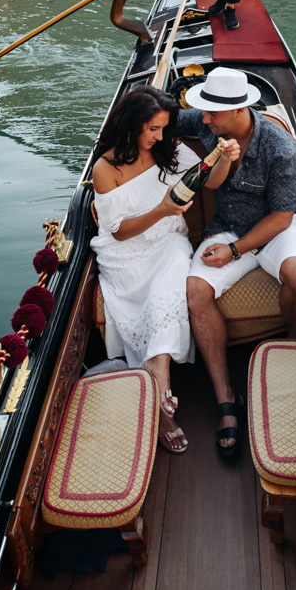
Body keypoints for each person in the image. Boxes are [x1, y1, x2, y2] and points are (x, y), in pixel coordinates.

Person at [177, 68, 296, 457]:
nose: (204, 119)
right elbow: (169, 114)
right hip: (227, 226)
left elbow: (283, 216)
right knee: (195, 289)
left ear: (239, 110)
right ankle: (227, 398)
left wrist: (236, 251)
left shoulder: (281, 149)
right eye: (203, 112)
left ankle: (292, 353)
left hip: (273, 229)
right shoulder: (208, 123)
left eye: (212, 114)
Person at [91, 86, 237, 454]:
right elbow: (118, 232)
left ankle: (158, 375)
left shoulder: (167, 149)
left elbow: (211, 180)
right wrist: (161, 209)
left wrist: (225, 155)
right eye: (153, 129)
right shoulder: (105, 168)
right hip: (125, 253)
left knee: (175, 248)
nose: (159, 136)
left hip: (167, 242)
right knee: (170, 253)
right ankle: (159, 385)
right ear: (131, 125)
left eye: (163, 128)